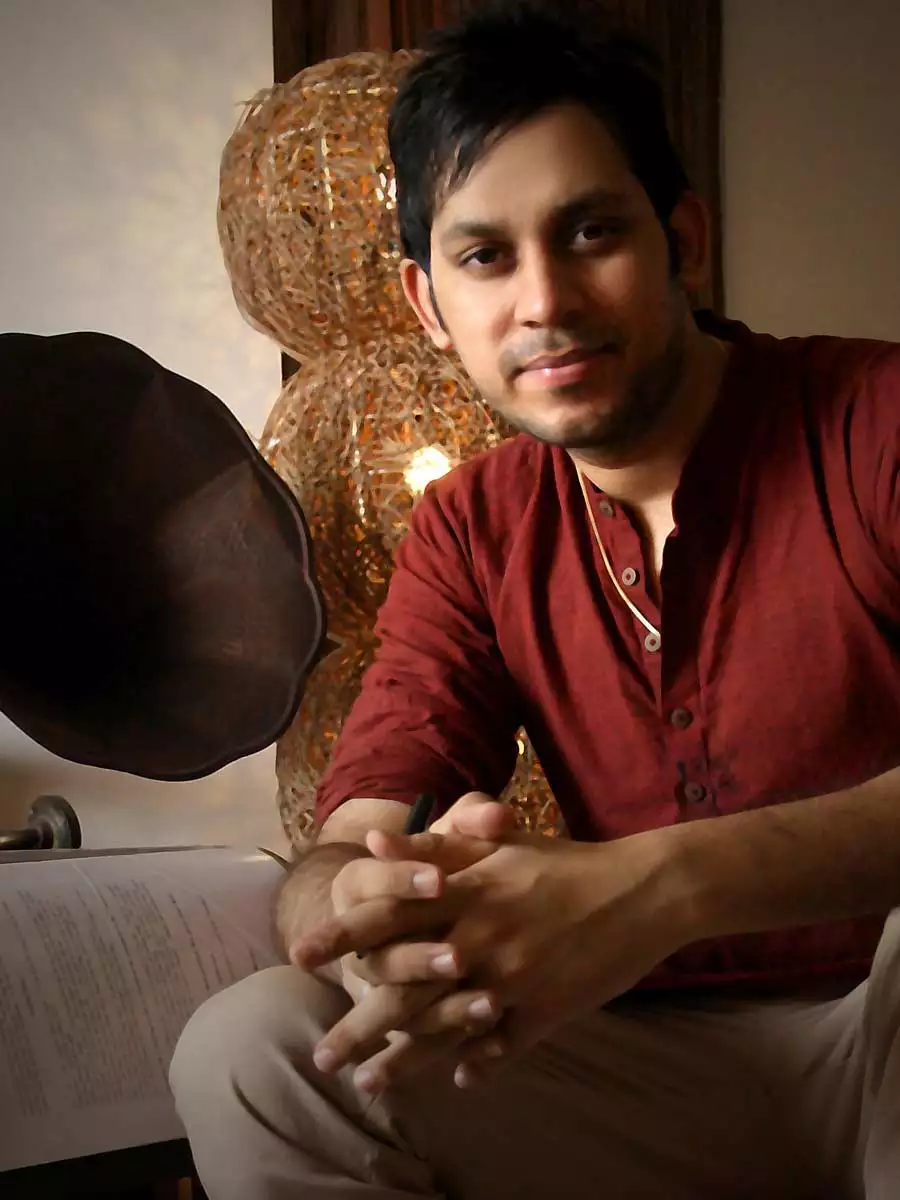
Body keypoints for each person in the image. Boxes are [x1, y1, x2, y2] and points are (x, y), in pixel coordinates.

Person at [169, 3, 900, 1196]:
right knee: (254, 1050)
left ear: (685, 242)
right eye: (486, 258)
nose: (545, 301)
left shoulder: (876, 424)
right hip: (638, 1071)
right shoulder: (471, 526)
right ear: (429, 307)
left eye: (591, 232)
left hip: (883, 1023)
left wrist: (655, 888)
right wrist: (369, 915)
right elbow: (345, 839)